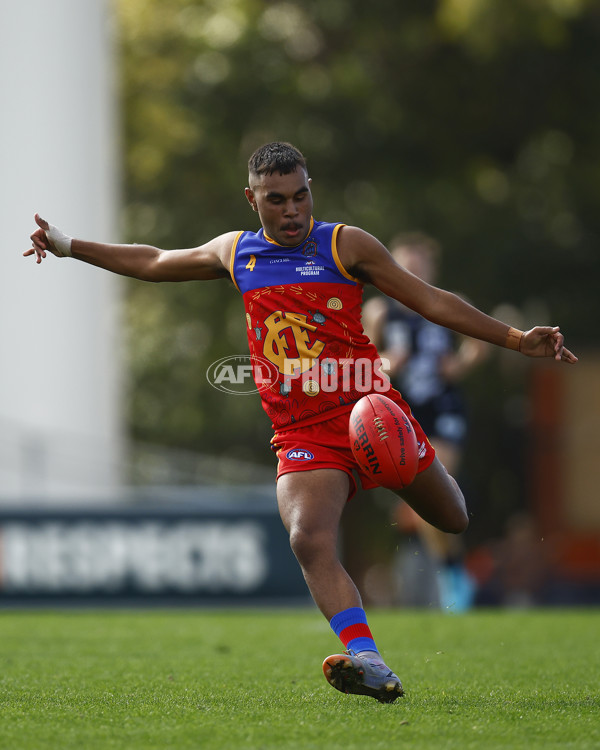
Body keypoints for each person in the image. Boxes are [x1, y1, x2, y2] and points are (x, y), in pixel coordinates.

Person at [25, 141, 577, 703]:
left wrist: (513, 339)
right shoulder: (236, 253)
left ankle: (421, 517)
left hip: (369, 411)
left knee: (453, 518)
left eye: (301, 196)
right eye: (277, 200)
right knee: (307, 536)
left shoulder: (344, 244)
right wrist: (68, 245)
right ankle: (367, 658)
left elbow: (428, 299)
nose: (292, 210)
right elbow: (154, 260)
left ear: (310, 190)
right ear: (252, 199)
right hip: (303, 432)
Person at [363, 233, 488, 612]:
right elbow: (366, 361)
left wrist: (460, 364)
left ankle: (451, 577)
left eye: (419, 267)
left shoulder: (450, 303)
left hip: (445, 406)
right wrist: (387, 362)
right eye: (406, 267)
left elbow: (479, 343)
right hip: (403, 413)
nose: (412, 274)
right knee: (428, 504)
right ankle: (452, 570)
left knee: (441, 480)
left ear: (432, 269)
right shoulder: (381, 312)